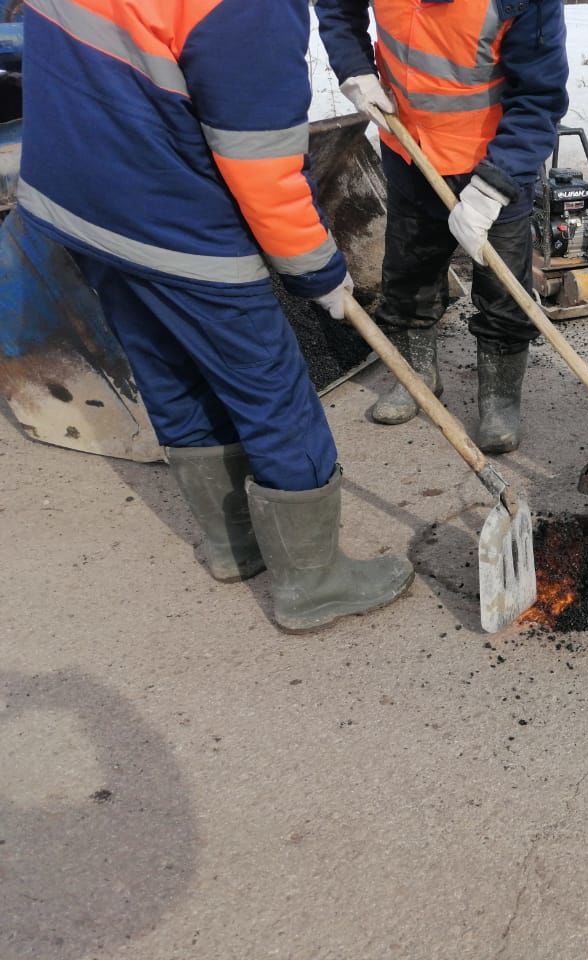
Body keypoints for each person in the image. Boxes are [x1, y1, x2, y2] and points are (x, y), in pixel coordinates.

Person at [18, 0, 414, 631]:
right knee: (269, 384)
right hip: (164, 206)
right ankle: (313, 582)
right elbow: (260, 162)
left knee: (164, 362)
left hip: (74, 194)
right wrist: (318, 271)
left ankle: (235, 546)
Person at [315, 0, 569, 453]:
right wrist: (355, 68)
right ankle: (417, 375)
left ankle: (499, 398)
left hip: (491, 161)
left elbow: (539, 98)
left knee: (503, 286)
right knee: (408, 269)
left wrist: (495, 186)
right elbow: (336, 7)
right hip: (409, 149)